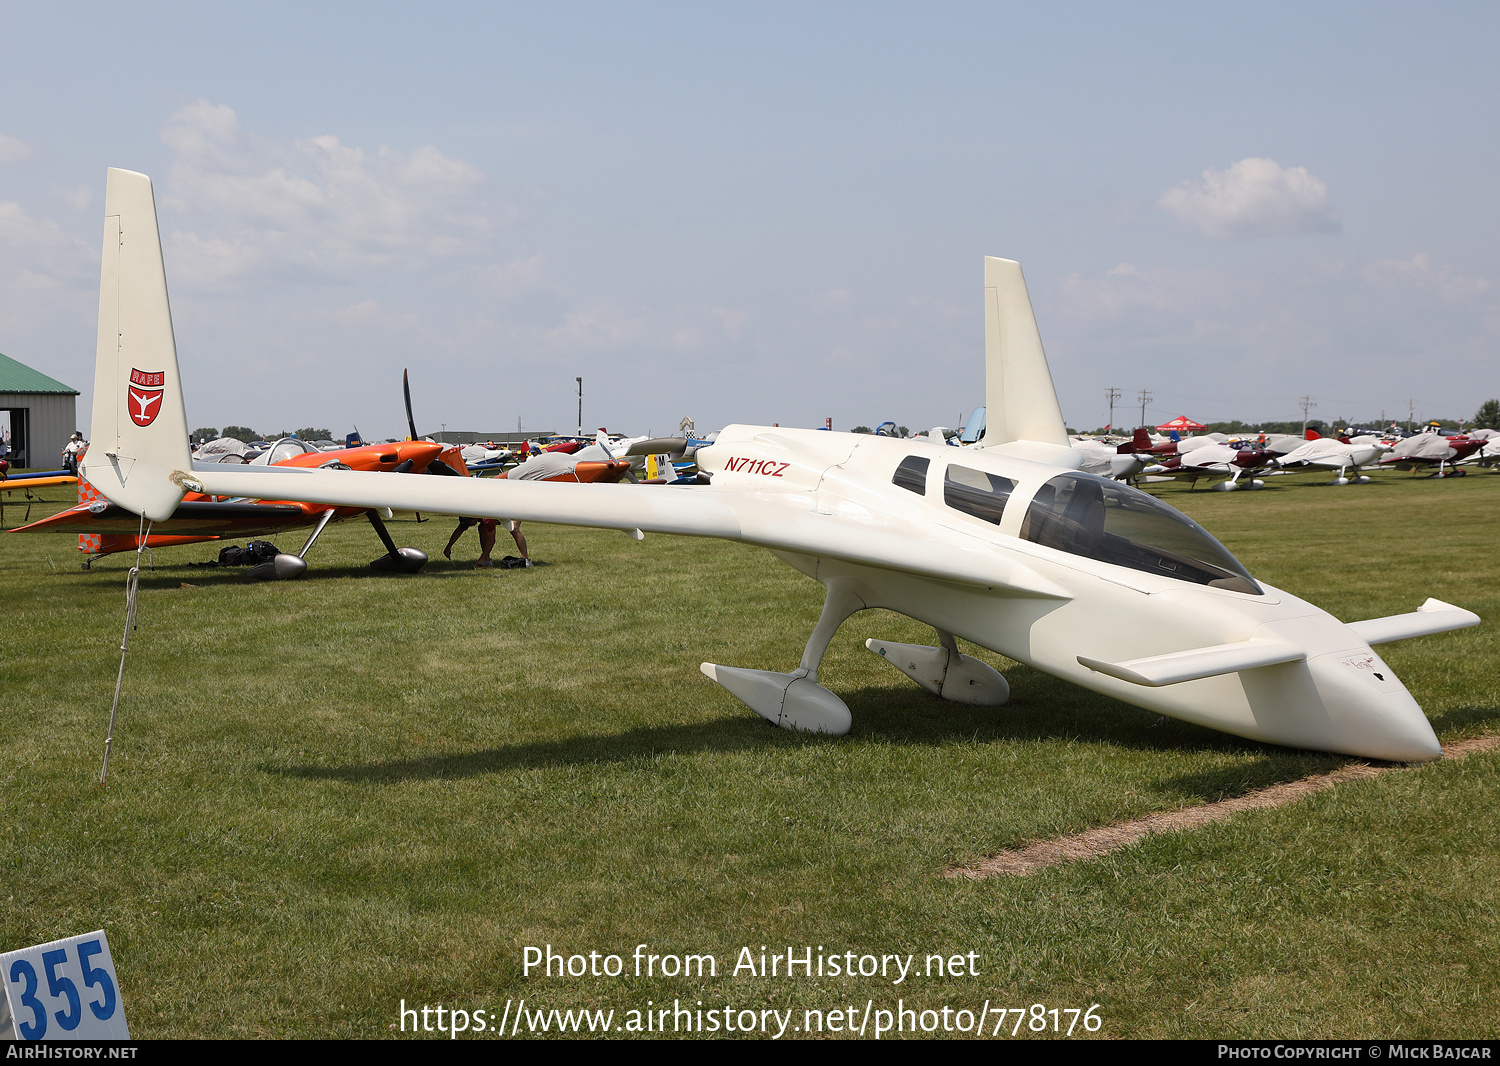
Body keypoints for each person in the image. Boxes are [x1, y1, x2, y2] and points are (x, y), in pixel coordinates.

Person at [443, 516, 530, 568]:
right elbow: (460, 529)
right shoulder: (469, 514)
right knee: (481, 528)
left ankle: (526, 561)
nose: (468, 525)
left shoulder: (488, 519)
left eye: (469, 523)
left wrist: (481, 558)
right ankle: (487, 560)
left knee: (514, 529)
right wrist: (448, 547)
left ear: (473, 519)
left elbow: (492, 540)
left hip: (511, 508)